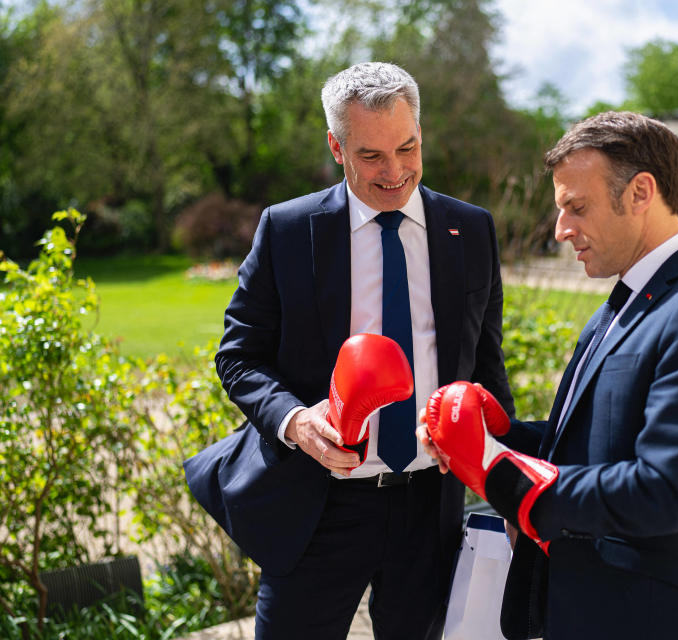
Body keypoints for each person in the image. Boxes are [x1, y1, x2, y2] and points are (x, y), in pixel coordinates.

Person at [184, 61, 514, 640]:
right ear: (336, 147)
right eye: (371, 157)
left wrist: (505, 484)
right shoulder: (287, 230)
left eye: (408, 149)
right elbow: (238, 355)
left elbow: (487, 367)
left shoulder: (472, 230)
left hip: (430, 510)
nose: (396, 172)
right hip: (315, 508)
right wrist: (294, 419)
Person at [418, 111, 678, 639]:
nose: (561, 230)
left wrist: (501, 475)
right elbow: (591, 445)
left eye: (577, 208)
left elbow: (664, 491)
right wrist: (496, 433)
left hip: (642, 620)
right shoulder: (621, 302)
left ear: (640, 192)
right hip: (578, 609)